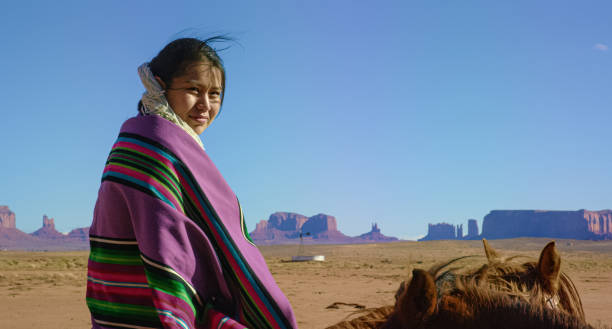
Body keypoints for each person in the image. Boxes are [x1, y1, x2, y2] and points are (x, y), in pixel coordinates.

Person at [86, 37, 298, 329]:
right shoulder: (155, 147)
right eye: (193, 90)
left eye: (215, 94)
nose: (205, 105)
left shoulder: (143, 139)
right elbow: (166, 249)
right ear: (159, 85)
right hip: (159, 312)